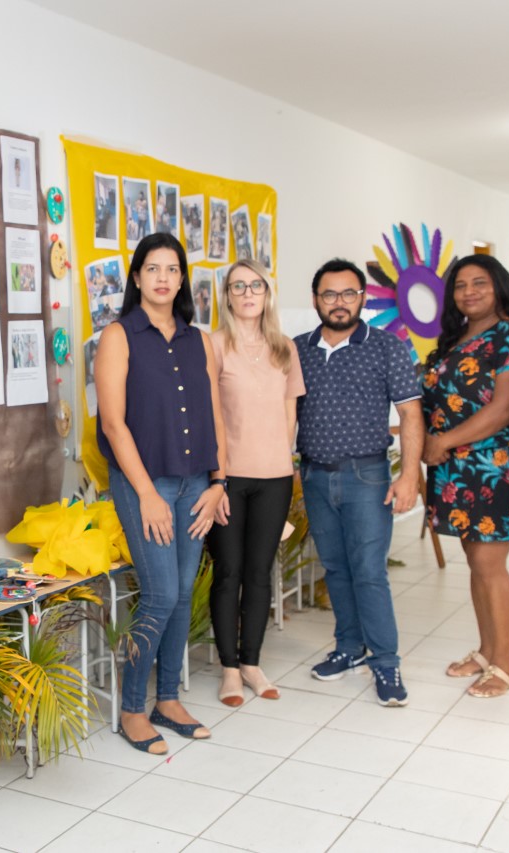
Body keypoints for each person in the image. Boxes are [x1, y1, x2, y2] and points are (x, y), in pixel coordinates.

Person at [95, 232, 227, 754]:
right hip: (142, 484)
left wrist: (219, 482)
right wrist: (148, 494)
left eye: (173, 269)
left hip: (197, 484)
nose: (163, 278)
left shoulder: (200, 340)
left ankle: (167, 699)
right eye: (153, 268)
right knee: (161, 595)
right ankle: (132, 708)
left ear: (182, 279)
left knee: (181, 595)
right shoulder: (119, 337)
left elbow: (214, 414)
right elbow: (112, 422)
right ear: (136, 277)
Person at [295, 258, 423, 706]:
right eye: (329, 294)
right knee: (335, 569)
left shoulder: (387, 346)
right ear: (316, 300)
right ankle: (349, 648)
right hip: (313, 475)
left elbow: (410, 414)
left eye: (349, 294)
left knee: (369, 572)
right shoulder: (298, 349)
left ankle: (386, 664)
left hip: (367, 476)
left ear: (362, 298)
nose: (339, 303)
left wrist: (409, 475)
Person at [422, 256, 509, 698]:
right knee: (475, 563)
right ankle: (487, 650)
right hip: (456, 466)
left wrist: (444, 440)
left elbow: (507, 407)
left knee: (490, 565)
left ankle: (504, 664)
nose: (469, 291)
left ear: (500, 287)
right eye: (460, 285)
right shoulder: (456, 337)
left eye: (480, 283)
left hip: (493, 465)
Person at [207, 260, 304, 706]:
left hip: (275, 479)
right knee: (228, 573)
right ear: (226, 296)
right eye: (238, 286)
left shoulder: (284, 348)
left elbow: (290, 417)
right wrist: (217, 478)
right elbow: (210, 417)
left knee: (259, 574)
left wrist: (280, 460)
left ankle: (251, 662)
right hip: (227, 479)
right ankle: (229, 669)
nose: (247, 292)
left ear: (267, 293)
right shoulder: (214, 346)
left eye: (256, 285)